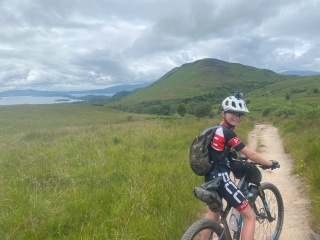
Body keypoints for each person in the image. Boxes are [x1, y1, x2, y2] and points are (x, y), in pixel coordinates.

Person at [204, 92, 278, 240]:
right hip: (222, 180)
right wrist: (270, 163)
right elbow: (252, 155)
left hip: (210, 179)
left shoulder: (215, 130)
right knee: (249, 216)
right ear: (223, 113)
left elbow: (218, 154)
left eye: (240, 114)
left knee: (214, 215)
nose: (237, 117)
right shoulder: (228, 133)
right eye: (233, 113)